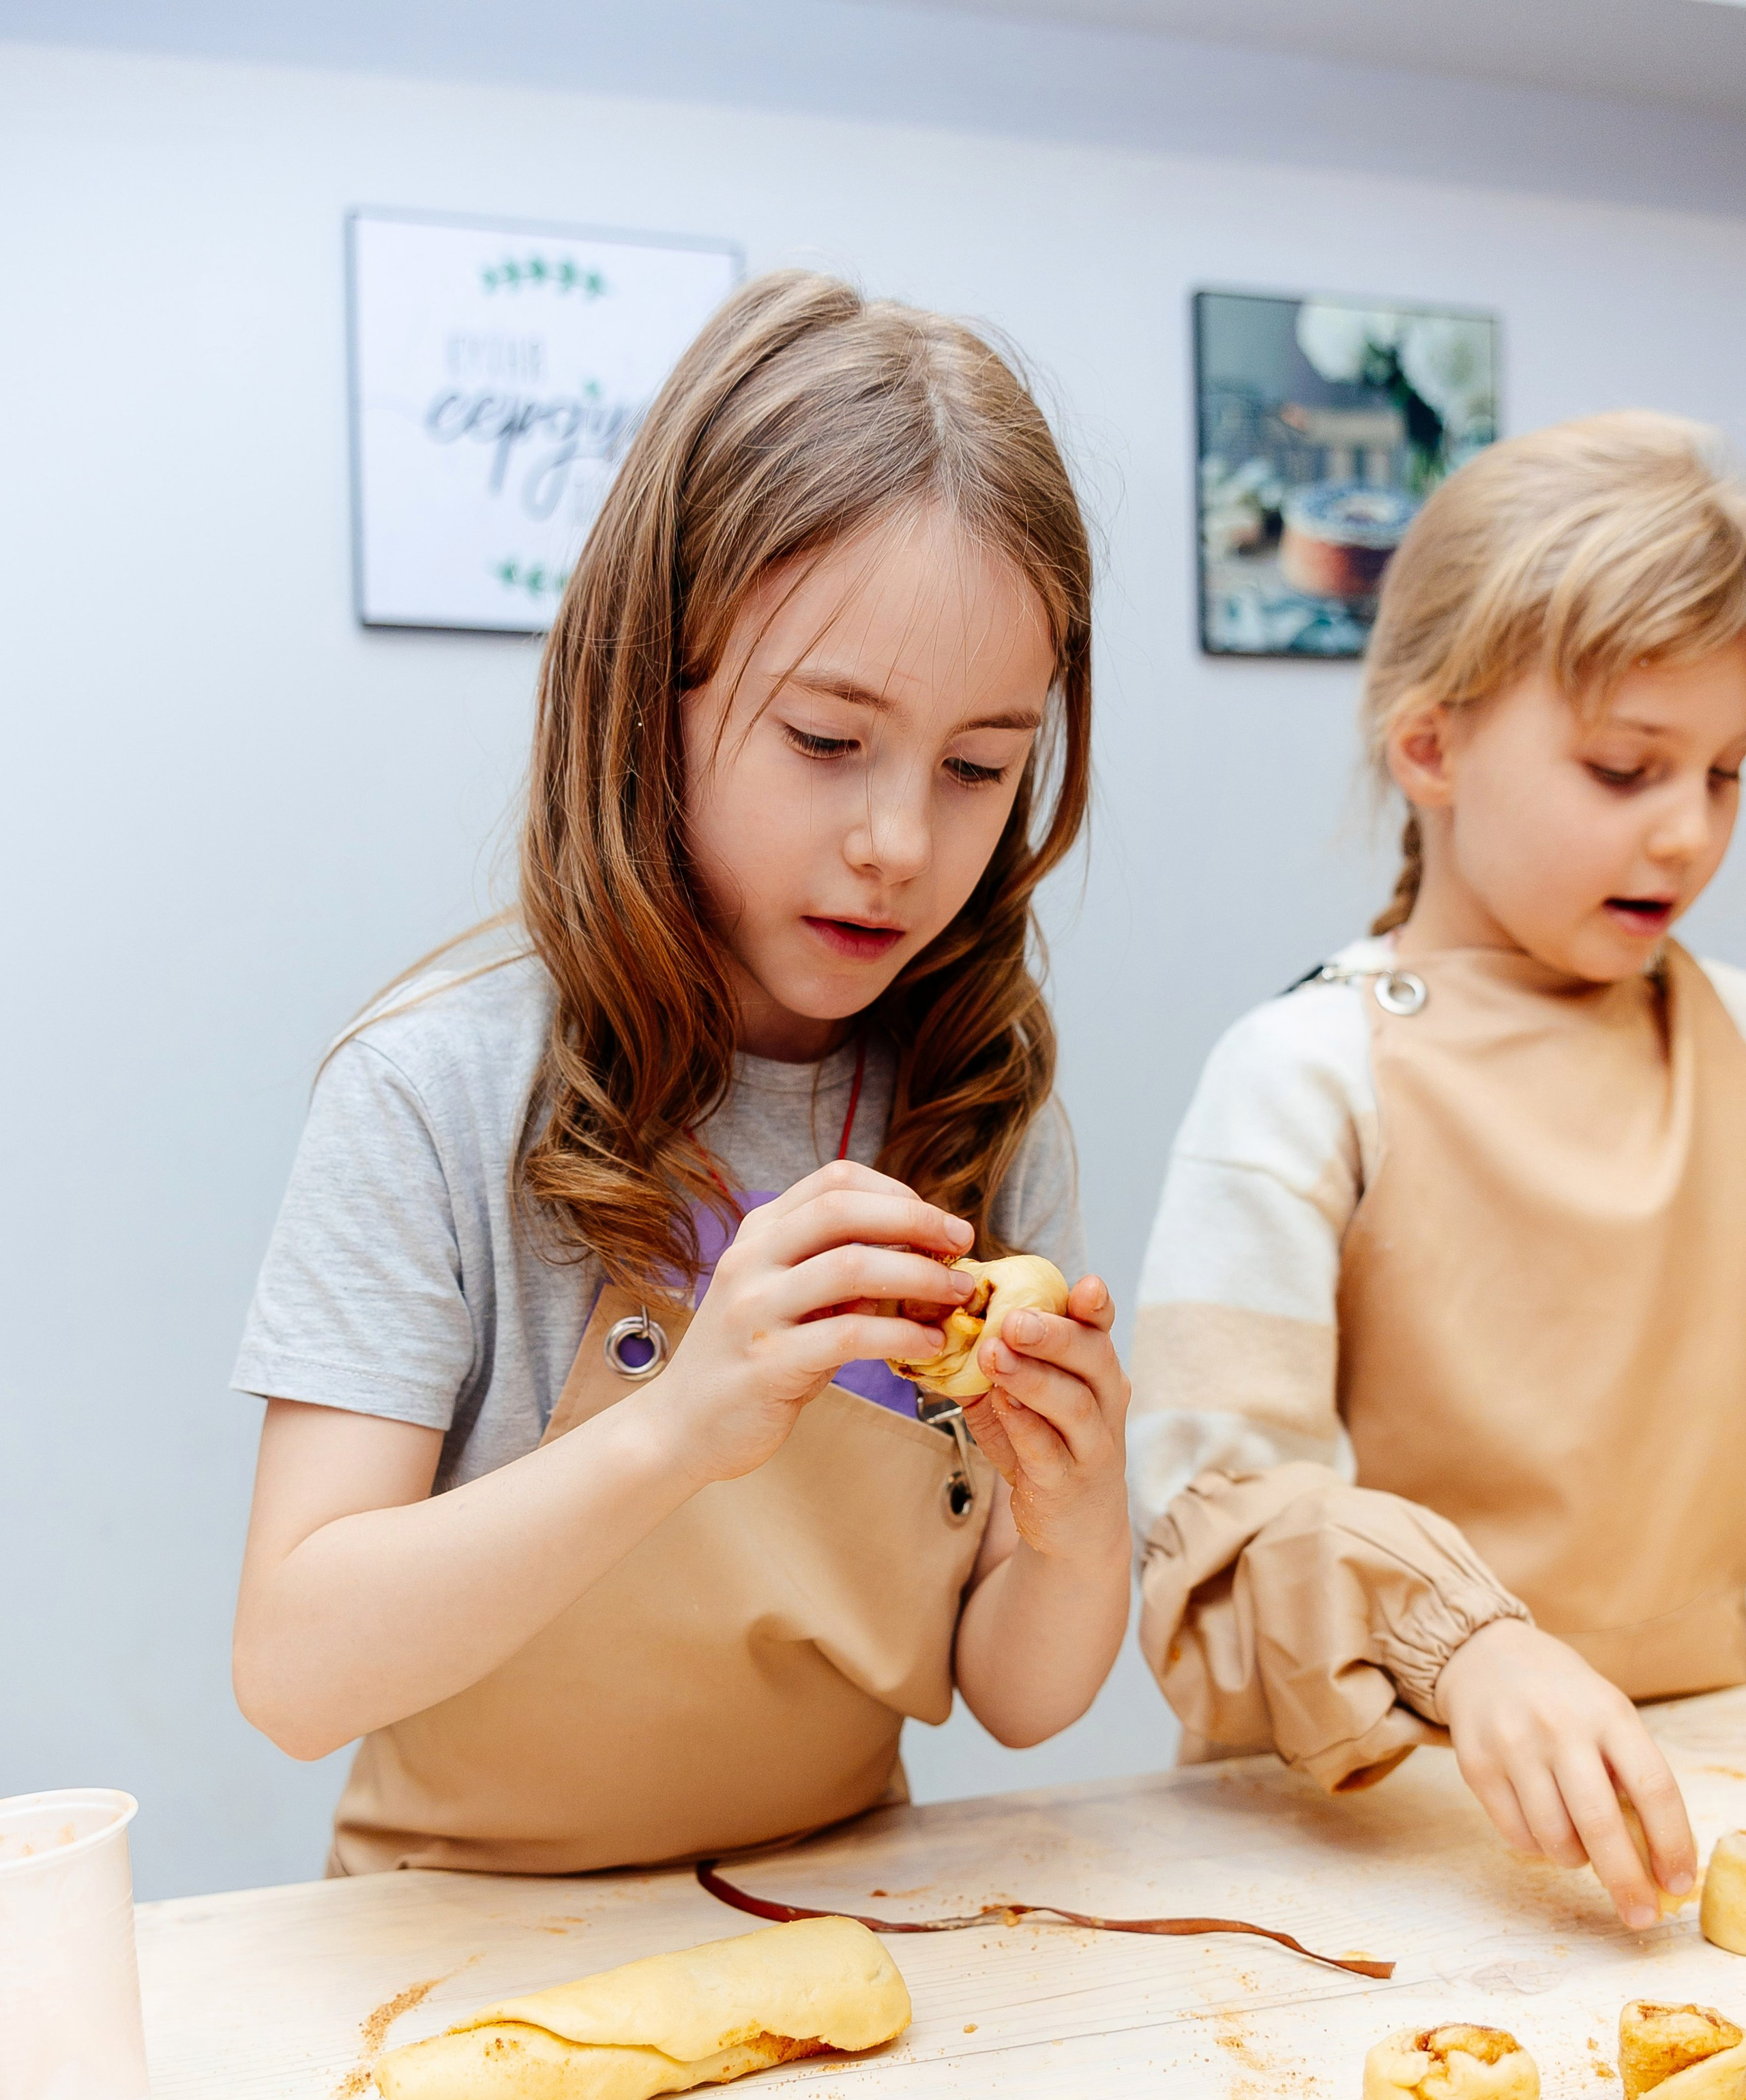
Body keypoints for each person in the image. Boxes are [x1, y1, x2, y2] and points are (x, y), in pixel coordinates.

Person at [231, 272, 1131, 1878]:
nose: (898, 843)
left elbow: (1019, 1694)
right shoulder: (432, 1094)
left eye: (978, 767)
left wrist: (1077, 1517)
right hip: (465, 1933)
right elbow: (294, 1672)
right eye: (826, 741)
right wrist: (674, 1430)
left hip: (841, 1916)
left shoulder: (975, 1108)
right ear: (651, 695)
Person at [1132, 412, 1746, 1929]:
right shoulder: (1296, 1078)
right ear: (1429, 746)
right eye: (1621, 768)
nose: (1685, 831)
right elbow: (1207, 1542)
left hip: (1695, 1796)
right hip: (1374, 1837)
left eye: (1728, 773)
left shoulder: (1732, 1032)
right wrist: (1462, 1645)